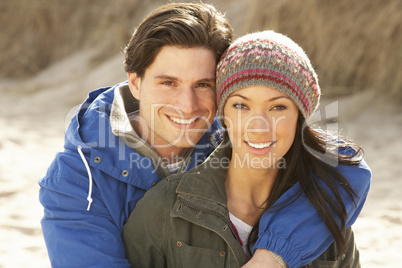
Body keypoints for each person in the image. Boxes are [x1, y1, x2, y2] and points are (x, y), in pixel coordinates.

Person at [39, 2, 369, 267]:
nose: (188, 105)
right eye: (168, 82)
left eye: (203, 85)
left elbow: (342, 166)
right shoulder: (77, 180)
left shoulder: (230, 126)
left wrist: (273, 255)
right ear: (135, 82)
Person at [122, 30, 371, 268]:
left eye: (278, 108)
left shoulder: (325, 212)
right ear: (223, 114)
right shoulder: (164, 210)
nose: (259, 127)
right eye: (241, 106)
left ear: (299, 116)